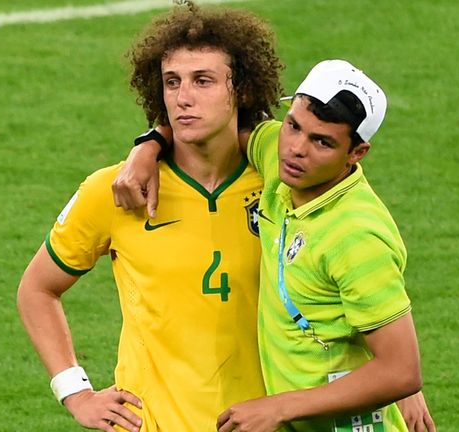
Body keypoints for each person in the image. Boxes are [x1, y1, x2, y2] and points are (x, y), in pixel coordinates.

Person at [115, 61, 437, 432]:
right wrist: (149, 145)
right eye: (294, 126)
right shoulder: (277, 157)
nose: (296, 149)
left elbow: (401, 371)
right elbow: (217, 123)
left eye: (322, 142)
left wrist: (279, 408)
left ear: (356, 153)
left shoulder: (356, 235)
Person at [16, 1, 283, 431]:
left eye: (203, 81)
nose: (183, 98)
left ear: (244, 90)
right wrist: (76, 392)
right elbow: (37, 290)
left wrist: (396, 379)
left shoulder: (281, 187)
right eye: (172, 82)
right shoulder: (117, 191)